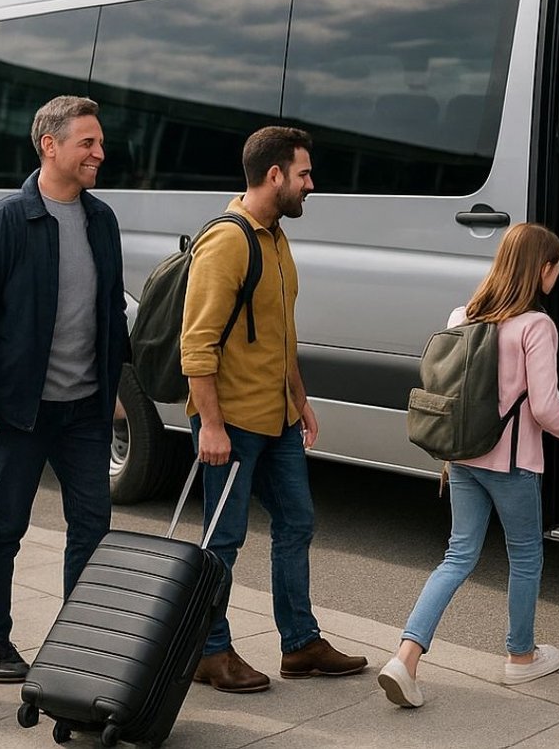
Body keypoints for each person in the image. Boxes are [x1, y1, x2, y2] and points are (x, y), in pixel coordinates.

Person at [0, 95, 127, 683]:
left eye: (100, 142)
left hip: (86, 411)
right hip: (19, 412)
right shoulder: (4, 220)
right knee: (5, 527)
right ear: (50, 145)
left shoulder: (103, 220)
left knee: (93, 530)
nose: (100, 152)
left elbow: (109, 313)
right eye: (88, 143)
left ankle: (76, 642)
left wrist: (115, 385)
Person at [182, 125, 366, 693]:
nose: (312, 185)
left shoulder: (276, 237)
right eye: (305, 174)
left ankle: (300, 643)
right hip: (232, 421)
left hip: (278, 416)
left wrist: (301, 399)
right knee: (225, 538)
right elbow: (197, 344)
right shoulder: (228, 241)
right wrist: (210, 424)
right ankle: (210, 651)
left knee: (296, 522)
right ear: (275, 175)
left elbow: (280, 331)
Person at [377, 223, 559, 709]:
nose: (558, 275)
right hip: (511, 462)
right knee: (526, 558)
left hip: (463, 455)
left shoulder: (464, 314)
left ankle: (406, 656)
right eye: (556, 267)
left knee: (458, 556)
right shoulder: (537, 325)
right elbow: (544, 408)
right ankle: (520, 656)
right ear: (543, 269)